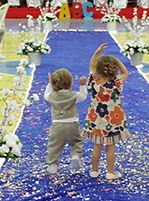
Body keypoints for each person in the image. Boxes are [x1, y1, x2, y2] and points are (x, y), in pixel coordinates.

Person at [82, 42, 130, 180]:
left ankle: (94, 170)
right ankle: (110, 172)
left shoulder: (93, 80)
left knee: (97, 146)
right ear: (114, 69)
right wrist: (117, 61)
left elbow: (91, 66)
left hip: (96, 120)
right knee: (110, 147)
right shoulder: (117, 82)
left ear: (98, 69)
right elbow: (125, 72)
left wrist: (97, 53)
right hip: (112, 121)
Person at [44, 68, 88, 175]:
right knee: (77, 142)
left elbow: (46, 94)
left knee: (54, 146)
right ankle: (75, 156)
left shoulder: (51, 97)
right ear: (70, 83)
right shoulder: (74, 95)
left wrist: (50, 84)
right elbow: (83, 96)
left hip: (57, 125)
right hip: (72, 124)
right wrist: (82, 85)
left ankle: (52, 165)